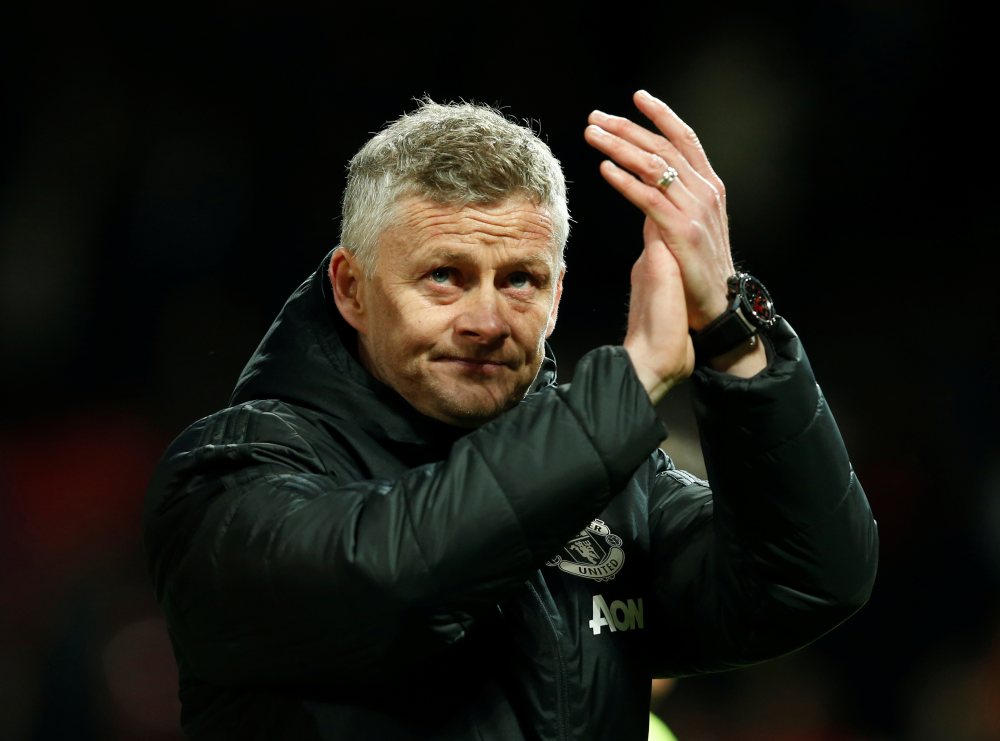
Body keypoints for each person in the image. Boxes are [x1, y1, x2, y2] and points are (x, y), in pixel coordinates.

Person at [142, 90, 879, 740]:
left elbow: (807, 580)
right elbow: (395, 580)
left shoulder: (610, 479)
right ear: (351, 289)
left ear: (557, 295)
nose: (487, 319)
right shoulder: (230, 474)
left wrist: (728, 328)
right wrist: (629, 382)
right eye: (445, 276)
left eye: (521, 278)